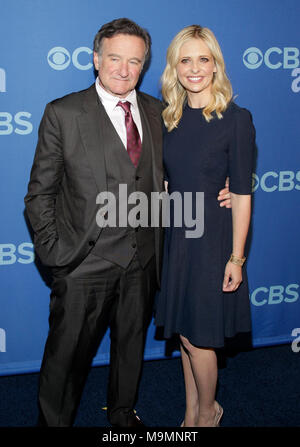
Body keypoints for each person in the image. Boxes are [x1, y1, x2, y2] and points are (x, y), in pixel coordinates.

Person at [25, 18, 230, 427]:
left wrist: (226, 186)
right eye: (115, 58)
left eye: (134, 61)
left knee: (130, 348)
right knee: (65, 359)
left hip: (143, 261)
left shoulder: (160, 113)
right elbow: (39, 195)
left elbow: (195, 162)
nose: (123, 69)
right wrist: (57, 255)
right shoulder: (63, 113)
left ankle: (122, 414)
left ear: (145, 65)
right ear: (97, 59)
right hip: (83, 263)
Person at [155, 25, 255, 427]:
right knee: (185, 334)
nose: (194, 68)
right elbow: (165, 181)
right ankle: (190, 413)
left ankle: (208, 415)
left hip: (212, 241)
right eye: (185, 59)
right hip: (177, 235)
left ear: (215, 65)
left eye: (203, 58)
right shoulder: (168, 118)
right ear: (174, 68)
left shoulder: (236, 119)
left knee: (201, 339)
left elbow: (243, 193)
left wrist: (237, 257)